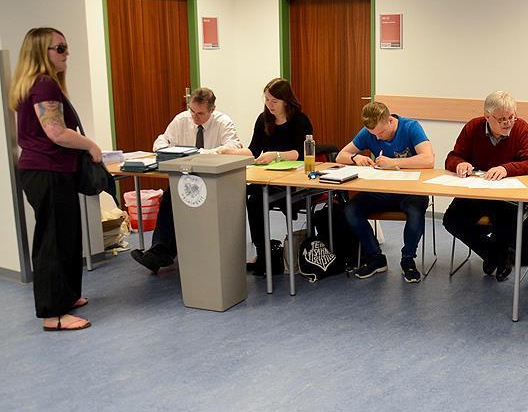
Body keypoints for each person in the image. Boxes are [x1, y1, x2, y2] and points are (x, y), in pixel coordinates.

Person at [9, 27, 102, 331]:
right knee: (53, 240)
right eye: (59, 48)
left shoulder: (37, 84)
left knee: (67, 236)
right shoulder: (45, 84)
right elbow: (56, 132)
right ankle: (53, 314)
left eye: (65, 47)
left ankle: (68, 295)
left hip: (52, 171)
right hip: (47, 172)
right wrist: (90, 145)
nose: (66, 53)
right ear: (41, 52)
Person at [129, 87, 243, 274]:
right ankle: (159, 251)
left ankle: (166, 252)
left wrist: (201, 154)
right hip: (186, 178)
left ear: (212, 109)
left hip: (213, 180)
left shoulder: (223, 122)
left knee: (184, 198)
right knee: (169, 198)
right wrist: (172, 152)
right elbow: (161, 141)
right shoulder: (182, 119)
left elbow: (233, 146)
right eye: (192, 111)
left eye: (200, 113)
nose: (195, 117)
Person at [442, 91, 528, 281]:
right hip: (478, 192)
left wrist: (506, 168)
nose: (508, 123)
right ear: (487, 116)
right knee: (452, 220)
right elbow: (453, 157)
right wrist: (459, 164)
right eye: (502, 119)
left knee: (505, 219)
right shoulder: (473, 127)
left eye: (511, 117)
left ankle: (498, 255)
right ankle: (494, 254)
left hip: (507, 195)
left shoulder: (521, 128)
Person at [221, 78, 312, 275]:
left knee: (255, 200)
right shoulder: (263, 119)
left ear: (286, 101)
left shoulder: (300, 120)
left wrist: (276, 155)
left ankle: (264, 254)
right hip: (267, 177)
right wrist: (229, 152)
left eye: (274, 101)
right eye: (267, 100)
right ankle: (261, 250)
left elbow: (301, 153)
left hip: (292, 179)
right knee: (241, 193)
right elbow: (253, 150)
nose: (270, 105)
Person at [335, 101, 434, 283]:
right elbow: (341, 155)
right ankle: (375, 257)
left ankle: (408, 259)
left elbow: (428, 160)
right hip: (384, 190)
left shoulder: (410, 127)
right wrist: (356, 157)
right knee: (351, 209)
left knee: (415, 212)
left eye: (380, 133)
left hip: (412, 190)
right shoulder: (369, 132)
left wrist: (394, 162)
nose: (378, 138)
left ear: (390, 120)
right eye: (374, 134)